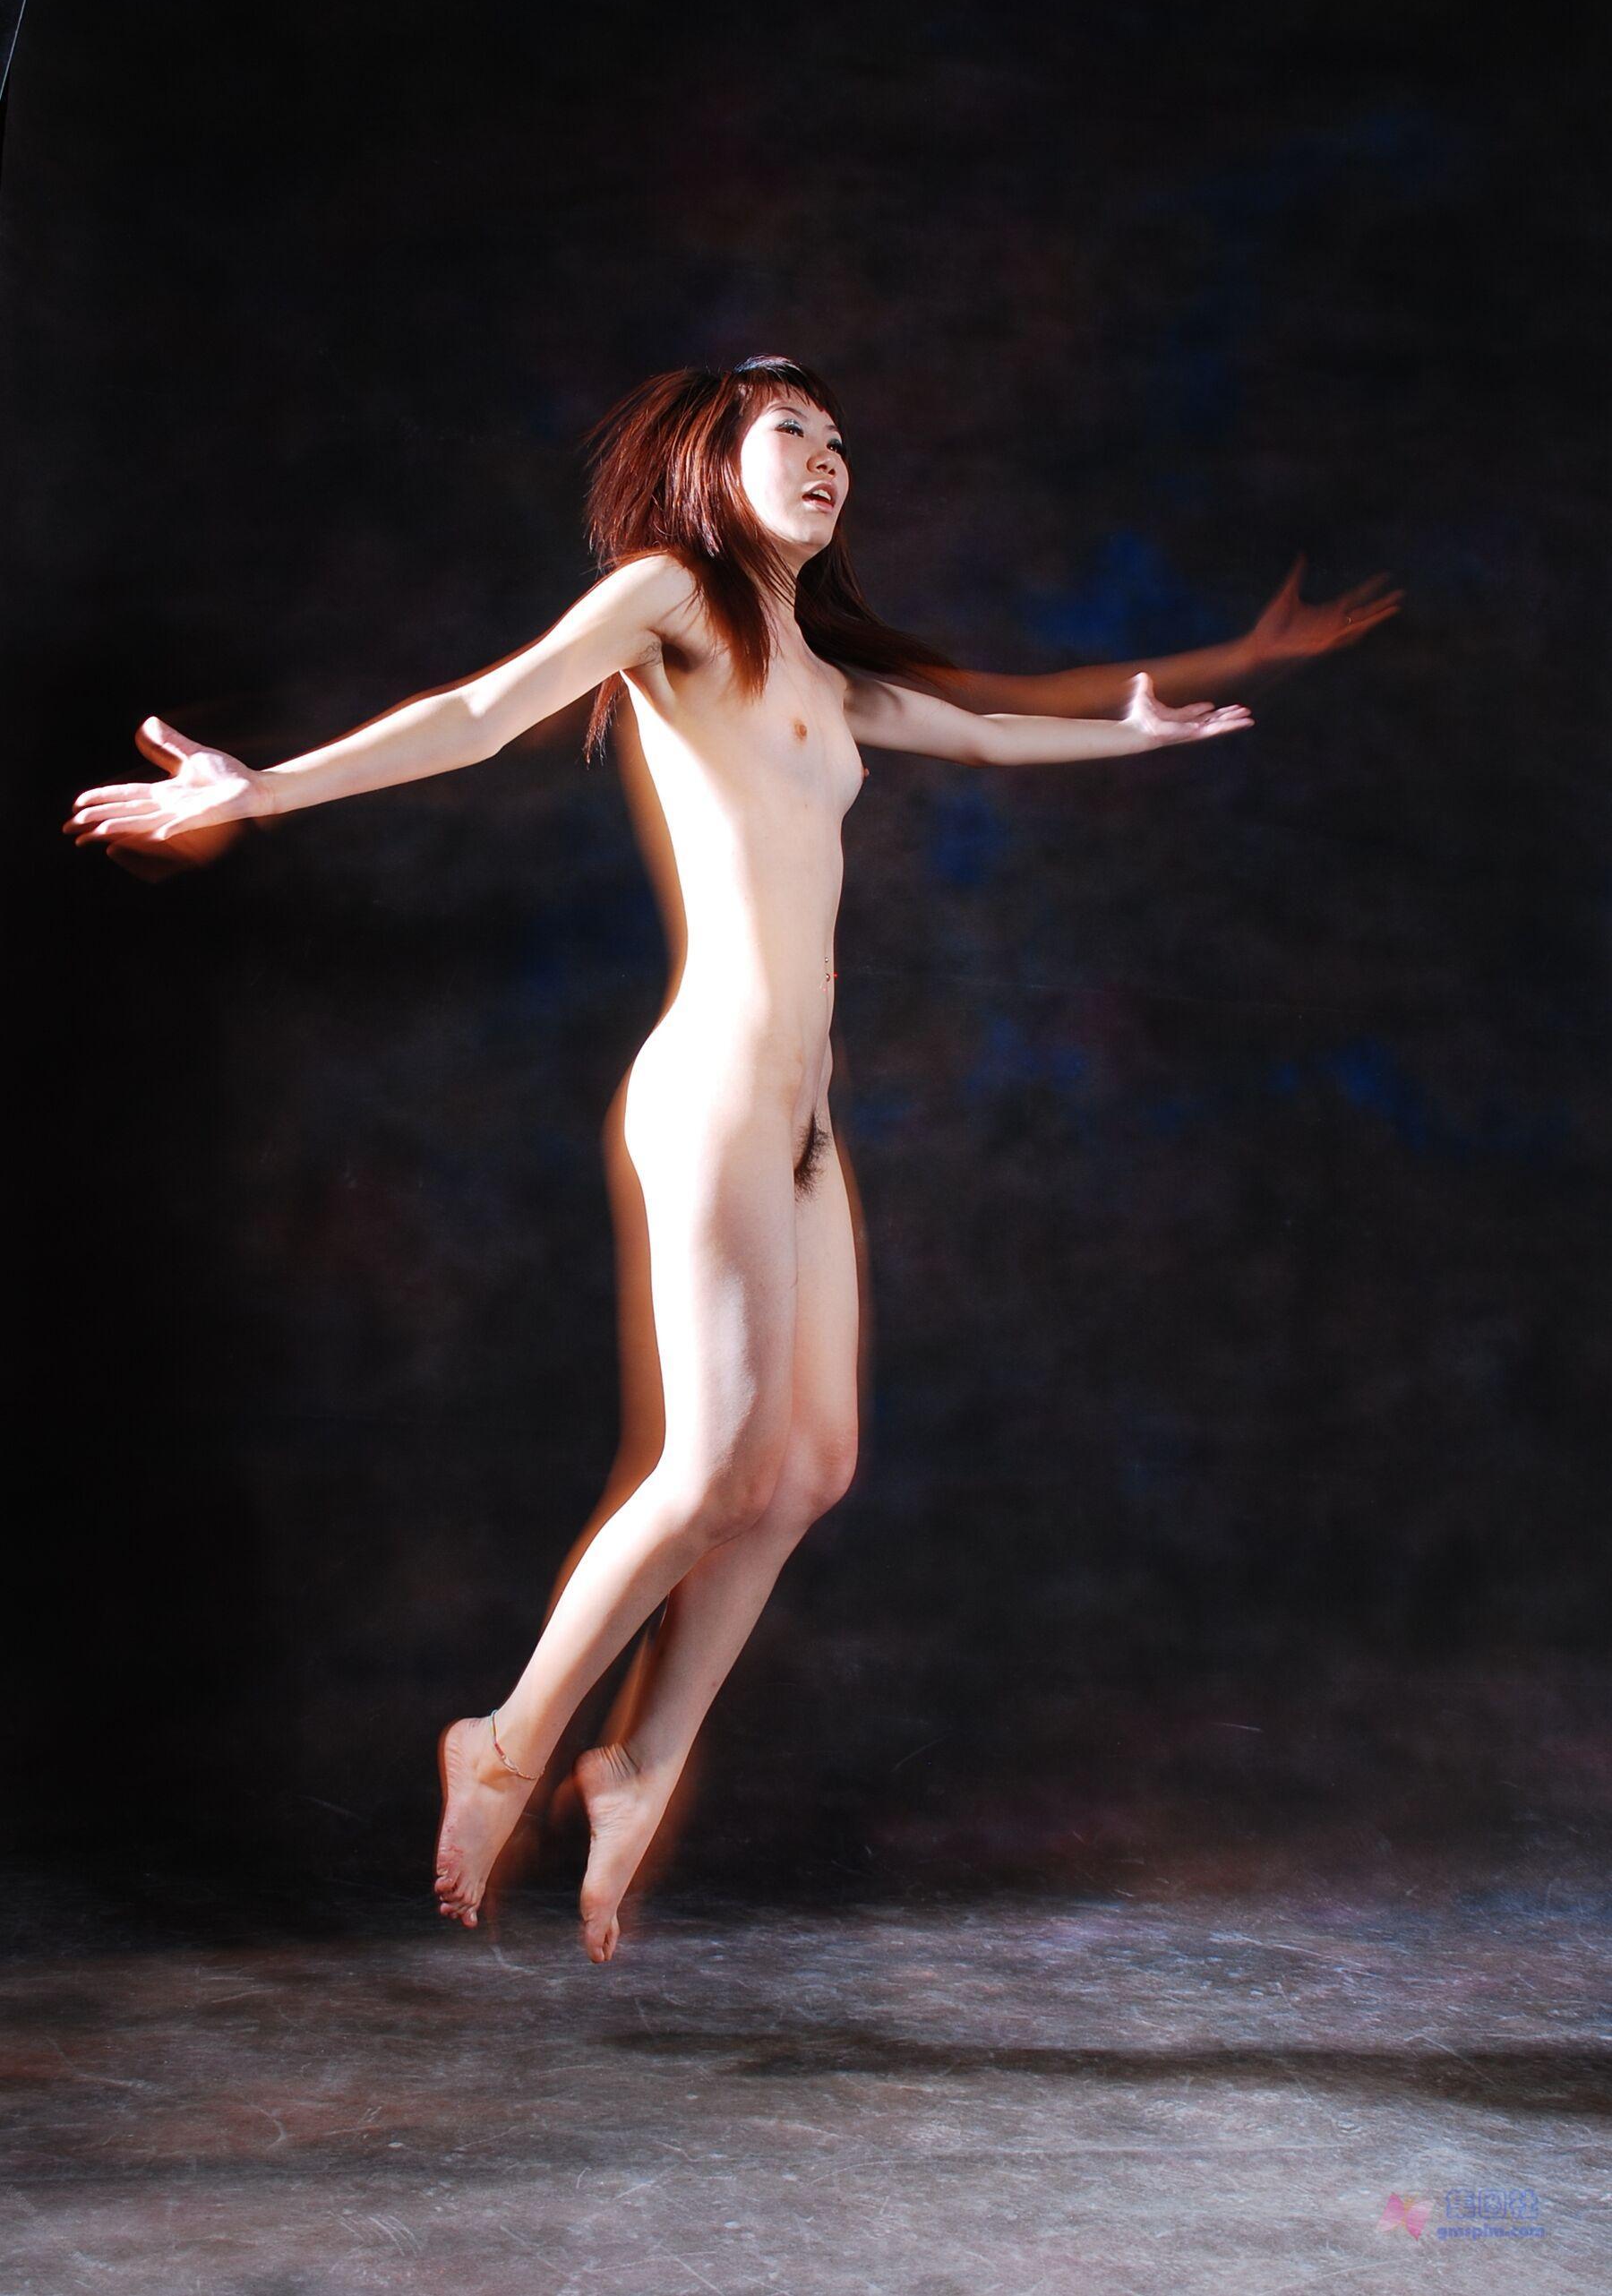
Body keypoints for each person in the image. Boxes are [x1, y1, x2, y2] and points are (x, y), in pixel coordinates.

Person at [63, 357, 1400, 1959]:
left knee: (809, 1465)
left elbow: (986, 727)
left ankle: (642, 1757)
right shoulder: (669, 599)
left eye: (841, 440)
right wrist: (264, 786)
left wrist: (1176, 699)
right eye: (790, 433)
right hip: (709, 1087)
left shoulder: (820, 670)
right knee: (708, 1470)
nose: (829, 458)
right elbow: (485, 713)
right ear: (711, 460)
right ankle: (506, 1741)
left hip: (803, 1116)